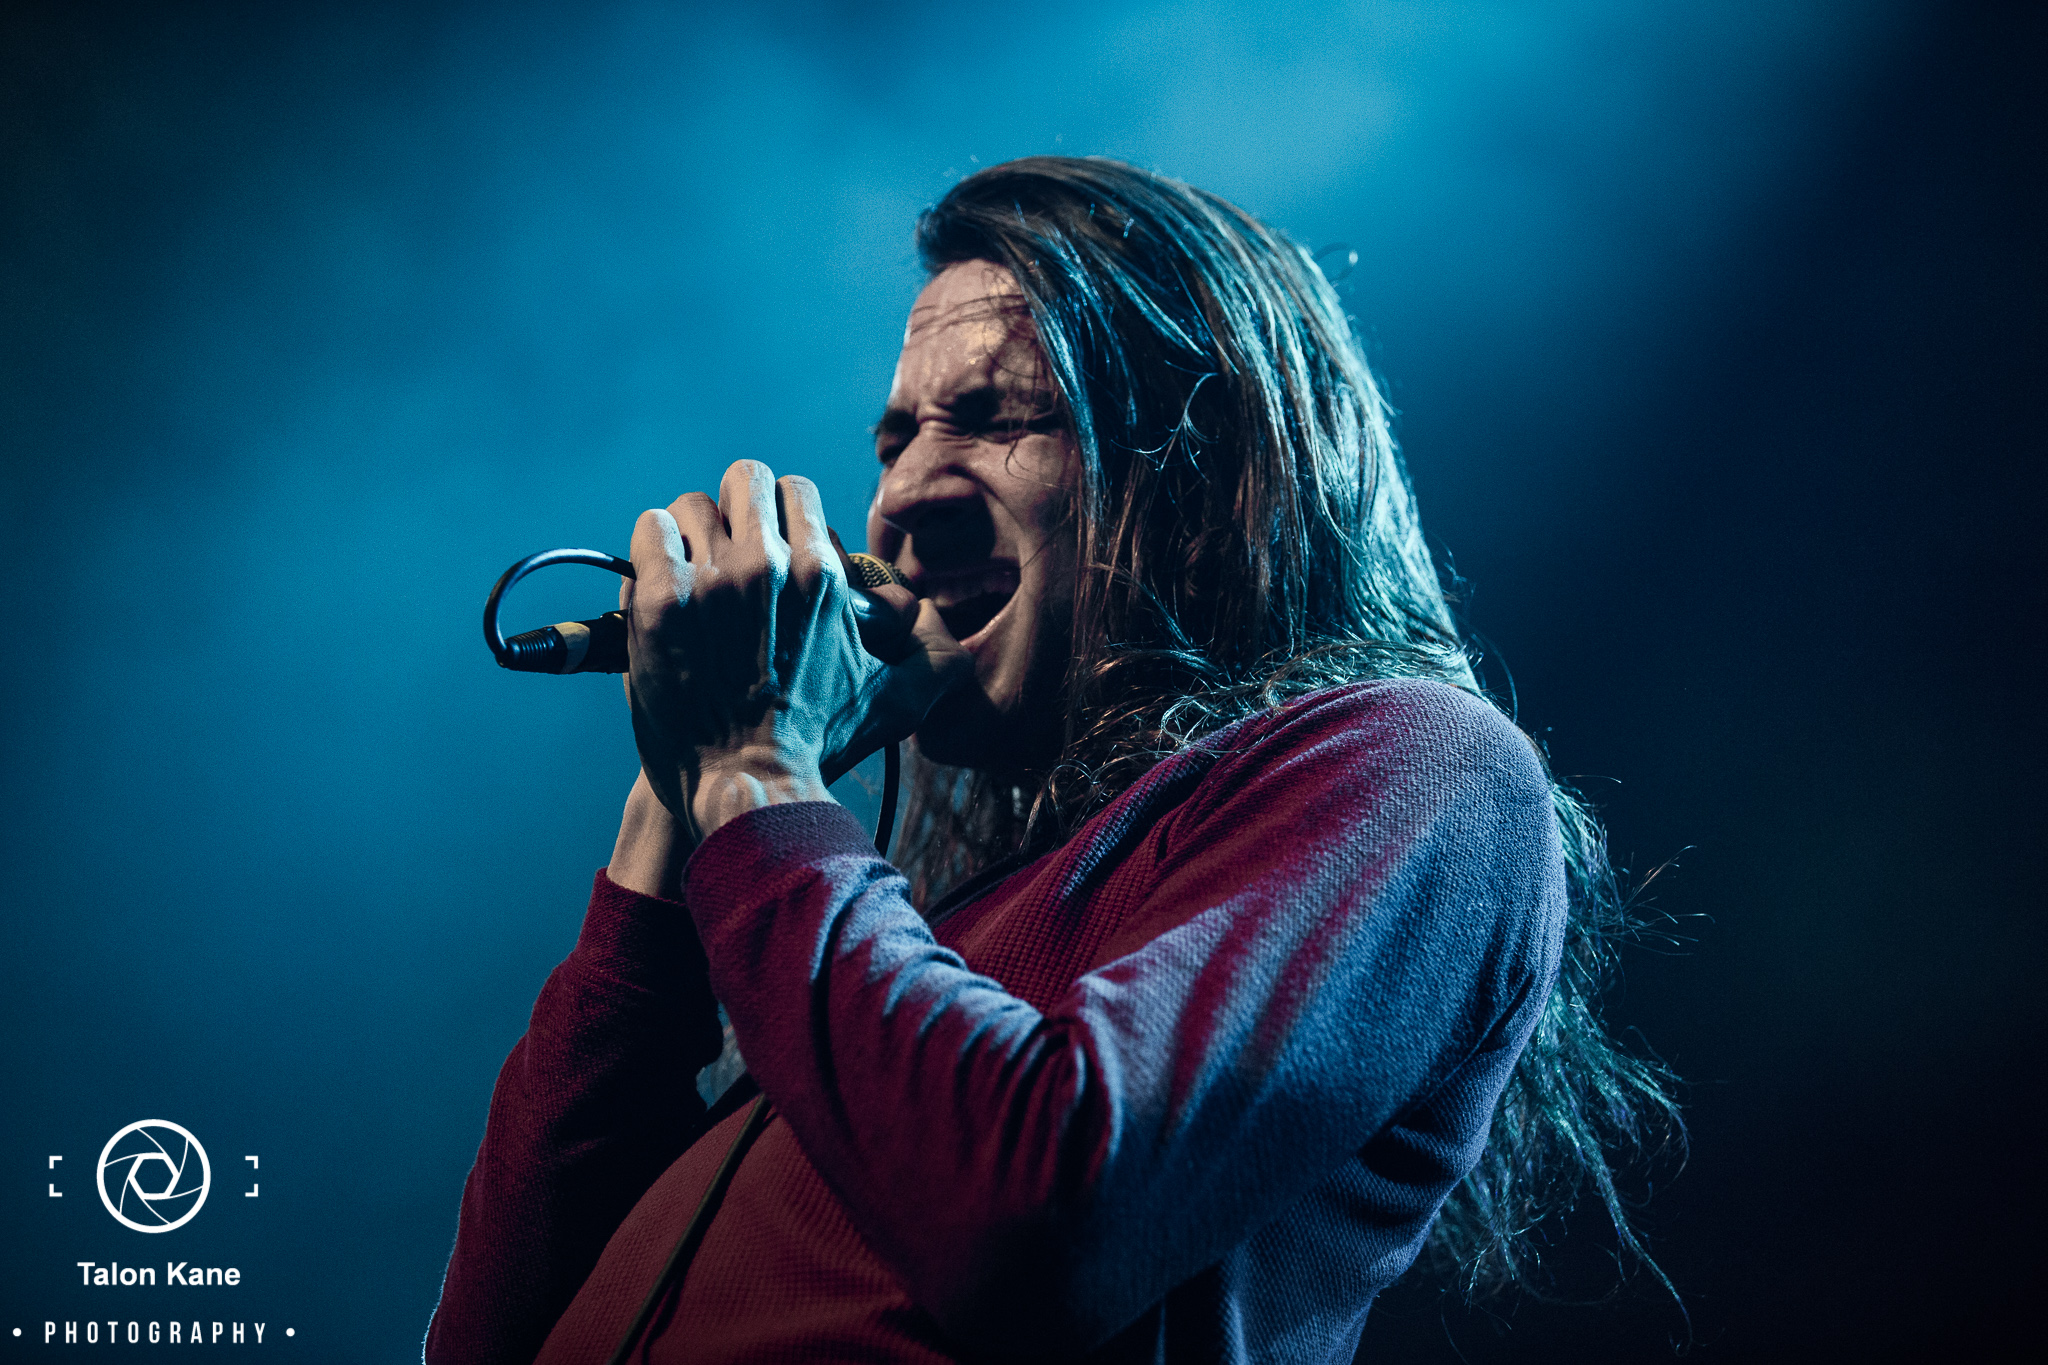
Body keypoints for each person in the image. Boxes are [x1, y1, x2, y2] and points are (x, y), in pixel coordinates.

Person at [425, 156, 1679, 1364]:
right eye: (894, 439)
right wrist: (682, 797)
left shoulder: (1421, 766)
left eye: (990, 419)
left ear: (1201, 470)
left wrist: (755, 766)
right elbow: (488, 1337)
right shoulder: (898, 943)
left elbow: (1032, 1222)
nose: (899, 499)